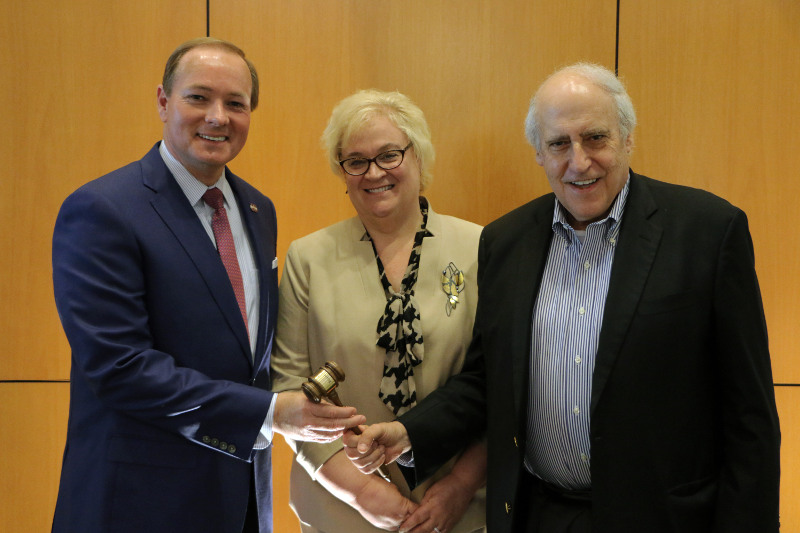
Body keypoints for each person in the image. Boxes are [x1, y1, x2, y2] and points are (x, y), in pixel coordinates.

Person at [344, 63, 781, 533]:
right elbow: (486, 381)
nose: (579, 161)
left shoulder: (708, 233)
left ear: (628, 139)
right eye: (558, 144)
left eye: (595, 138)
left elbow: (749, 418)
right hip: (537, 513)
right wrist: (411, 433)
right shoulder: (505, 242)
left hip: (663, 519)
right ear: (538, 152)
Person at [51, 37, 365, 533]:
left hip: (240, 501)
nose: (218, 117)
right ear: (163, 101)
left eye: (236, 104)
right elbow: (120, 367)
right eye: (199, 97)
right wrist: (268, 412)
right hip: (137, 506)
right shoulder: (103, 211)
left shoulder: (258, 210)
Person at [270, 89, 487, 533]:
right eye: (356, 161)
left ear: (419, 158)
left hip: (456, 511)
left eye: (390, 155)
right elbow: (290, 389)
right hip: (339, 510)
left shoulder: (480, 249)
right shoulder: (307, 258)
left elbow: (499, 387)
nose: (374, 173)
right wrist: (364, 493)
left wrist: (458, 489)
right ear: (342, 171)